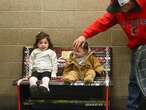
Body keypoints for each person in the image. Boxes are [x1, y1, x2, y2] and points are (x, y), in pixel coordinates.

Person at [73, 0, 146, 110]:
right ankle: (132, 107)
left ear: (128, 4)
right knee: (135, 80)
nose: (118, 11)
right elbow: (102, 23)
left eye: (120, 8)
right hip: (138, 48)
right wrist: (85, 35)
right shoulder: (118, 11)